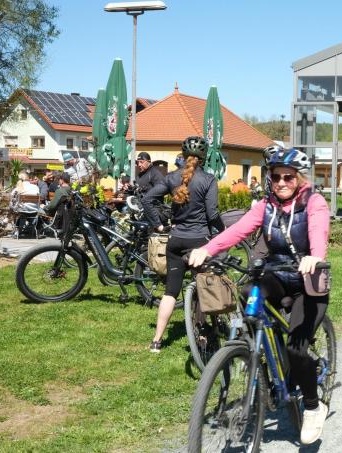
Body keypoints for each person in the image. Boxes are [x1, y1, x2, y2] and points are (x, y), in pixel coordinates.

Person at [188, 146, 330, 445]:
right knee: (247, 293)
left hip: (309, 281)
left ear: (299, 179)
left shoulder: (314, 203)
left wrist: (314, 257)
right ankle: (253, 352)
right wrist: (207, 249)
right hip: (277, 274)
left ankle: (313, 406)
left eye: (288, 178)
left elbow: (318, 233)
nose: (281, 182)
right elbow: (237, 231)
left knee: (297, 349)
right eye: (276, 177)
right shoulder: (265, 206)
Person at [141, 136, 224, 354]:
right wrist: (223, 231)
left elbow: (147, 200)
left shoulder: (171, 178)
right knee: (204, 289)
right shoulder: (208, 180)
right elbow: (212, 214)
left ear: (184, 155)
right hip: (199, 242)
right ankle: (204, 336)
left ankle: (157, 341)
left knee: (170, 292)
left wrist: (158, 226)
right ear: (204, 157)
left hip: (176, 240)